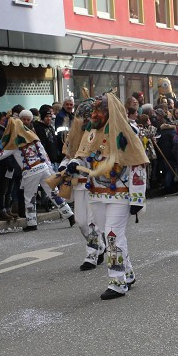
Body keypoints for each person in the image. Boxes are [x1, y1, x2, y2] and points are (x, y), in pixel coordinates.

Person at [75, 92, 149, 300]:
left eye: (101, 110)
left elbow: (138, 164)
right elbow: (83, 157)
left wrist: (137, 198)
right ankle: (127, 272)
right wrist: (75, 164)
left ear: (112, 112)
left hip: (120, 194)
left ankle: (117, 283)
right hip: (96, 193)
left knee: (113, 236)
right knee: (108, 237)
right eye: (95, 110)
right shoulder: (91, 133)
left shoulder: (128, 131)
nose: (95, 114)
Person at [0, 111, 74, 233]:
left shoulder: (14, 143)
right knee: (53, 192)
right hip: (43, 167)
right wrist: (51, 170)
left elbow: (0, 155)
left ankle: (32, 223)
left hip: (30, 171)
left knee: (29, 197)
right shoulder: (33, 137)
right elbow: (45, 155)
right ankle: (69, 214)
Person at [59, 98, 104, 270]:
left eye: (89, 117)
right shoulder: (75, 134)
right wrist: (65, 167)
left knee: (91, 222)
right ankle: (100, 246)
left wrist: (81, 163)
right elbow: (69, 156)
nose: (86, 121)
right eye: (83, 117)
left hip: (94, 184)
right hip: (78, 184)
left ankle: (91, 255)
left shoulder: (100, 134)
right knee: (81, 221)